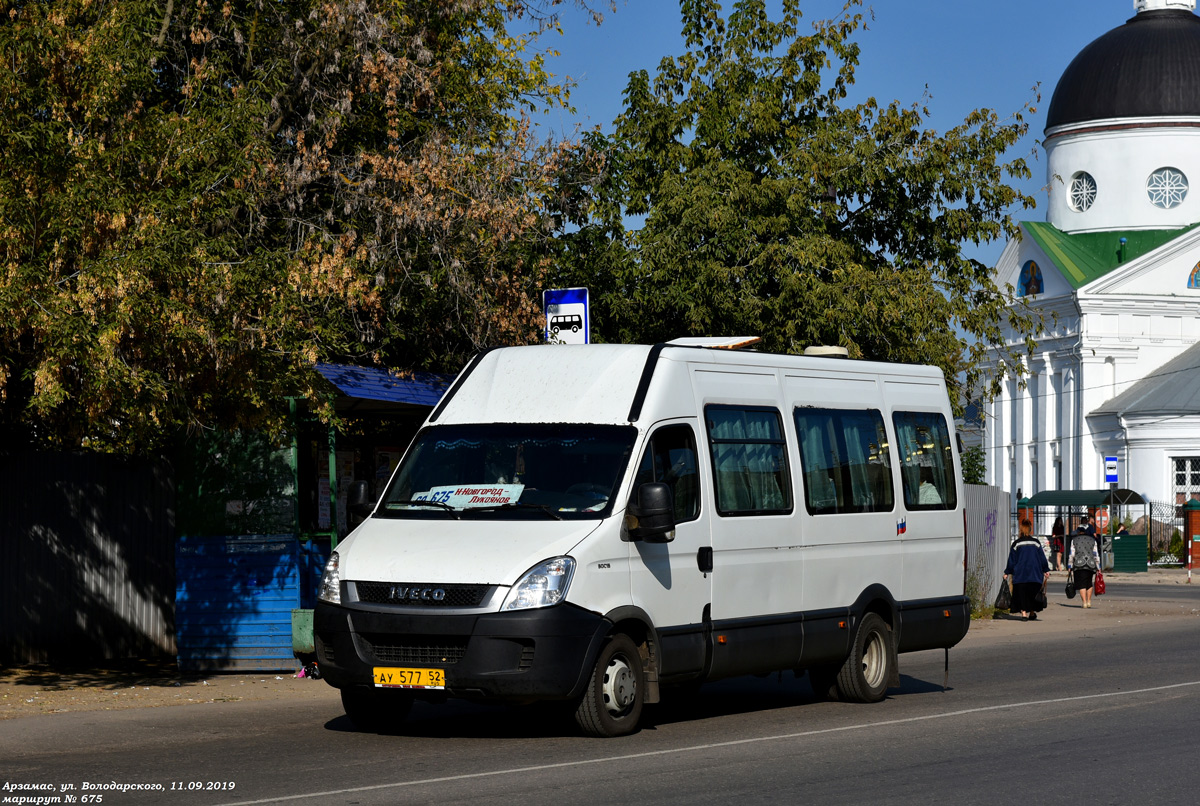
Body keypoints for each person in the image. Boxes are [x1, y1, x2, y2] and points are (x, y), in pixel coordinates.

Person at [1004, 520, 1050, 620]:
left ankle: (1024, 613)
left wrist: (1007, 572)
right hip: (1035, 573)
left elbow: (1012, 559)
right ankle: (1032, 613)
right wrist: (1045, 570)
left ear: (1020, 530)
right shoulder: (1036, 543)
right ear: (1030, 530)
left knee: (1022, 594)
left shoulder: (1016, 544)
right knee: (1033, 594)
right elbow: (1042, 558)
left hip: (1020, 574)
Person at [1068, 524, 1102, 609]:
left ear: (1079, 532)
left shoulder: (1074, 540)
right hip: (1091, 564)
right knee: (1089, 583)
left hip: (1079, 564)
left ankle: (1084, 602)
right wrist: (1098, 566)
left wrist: (1070, 565)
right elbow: (1095, 554)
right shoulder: (1092, 540)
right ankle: (1089, 601)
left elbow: (1072, 554)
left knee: (1082, 584)